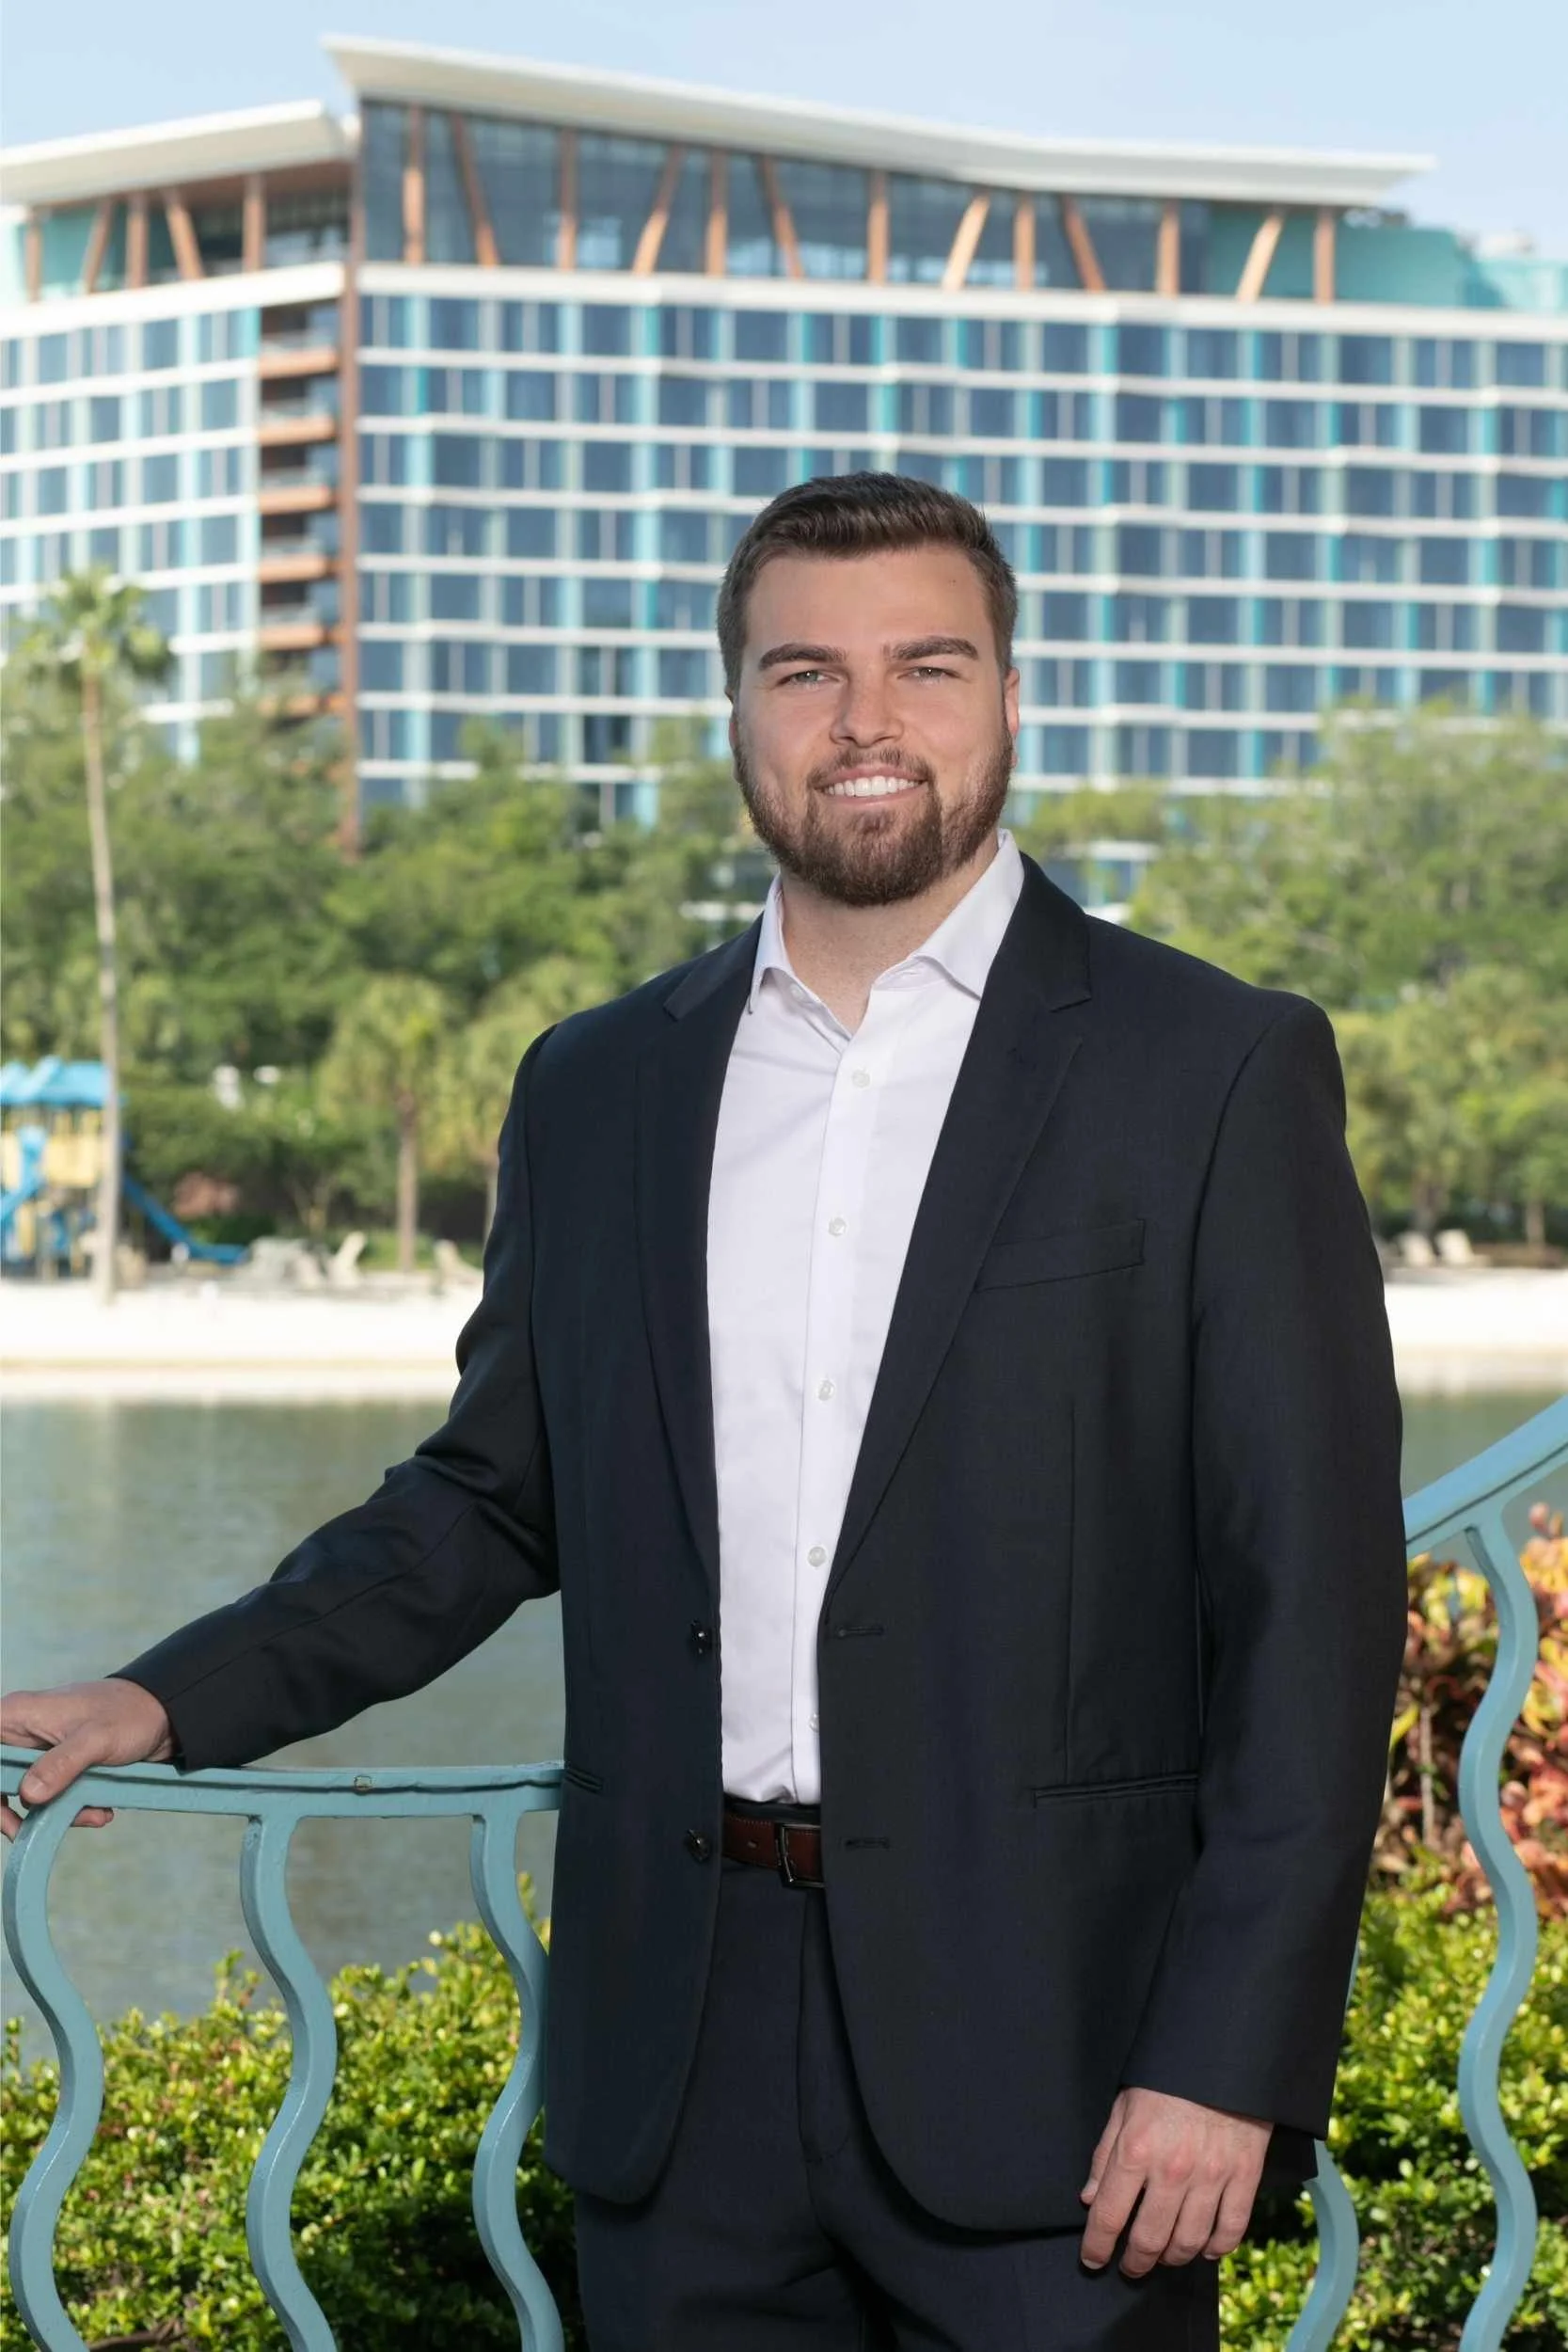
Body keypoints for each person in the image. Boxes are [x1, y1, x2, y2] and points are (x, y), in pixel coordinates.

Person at [2, 474, 1409, 2350]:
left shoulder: (1212, 1066)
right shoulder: (594, 1090)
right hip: (682, 2057)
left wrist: (1226, 2056)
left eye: (925, 663)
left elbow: (1308, 1605)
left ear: (1004, 695)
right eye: (802, 670)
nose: (865, 722)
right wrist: (168, 1694)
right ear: (734, 711)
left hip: (1062, 2054)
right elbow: (487, 1500)